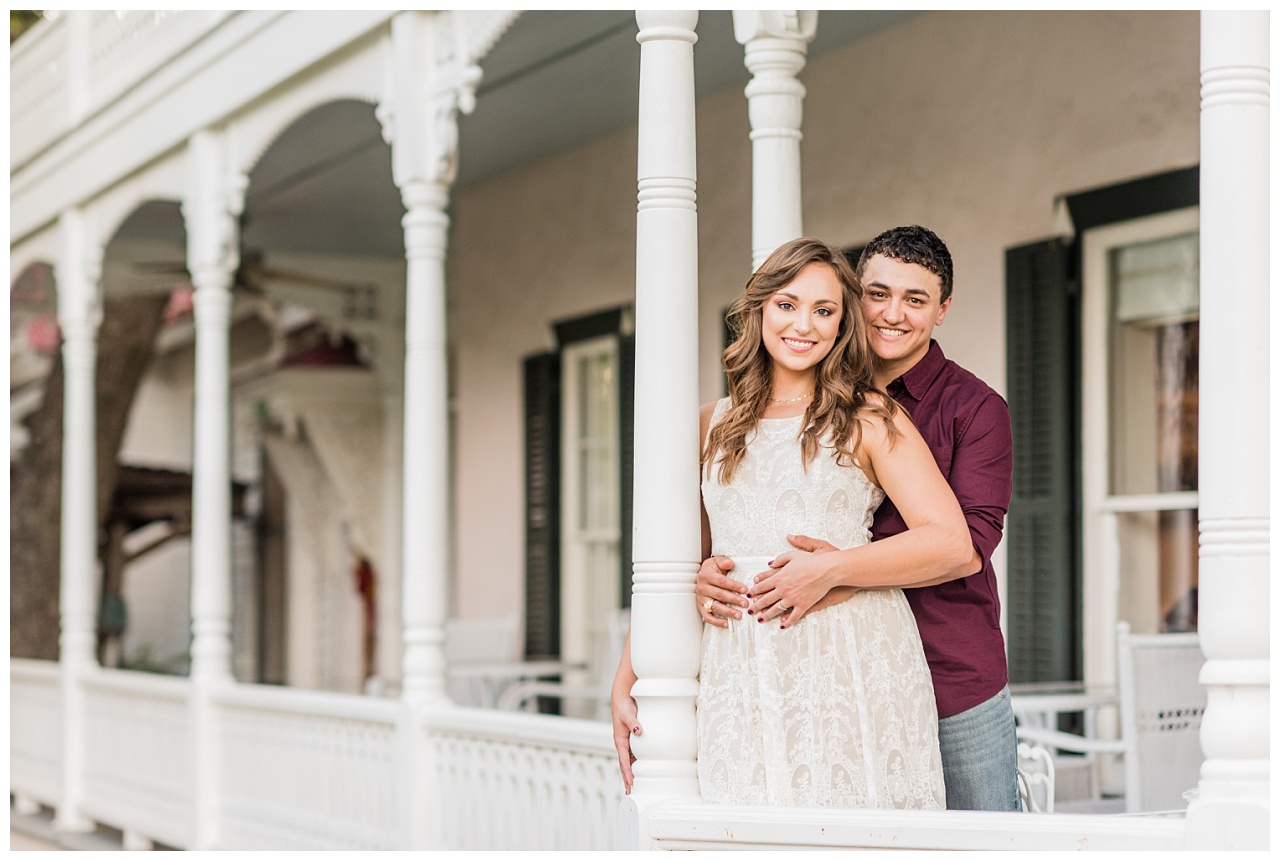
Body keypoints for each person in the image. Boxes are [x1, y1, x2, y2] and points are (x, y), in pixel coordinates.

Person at [611, 237, 974, 808]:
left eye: (824, 310)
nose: (803, 325)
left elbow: (953, 544)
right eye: (786, 304)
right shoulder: (712, 424)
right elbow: (675, 562)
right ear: (758, 310)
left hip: (852, 659)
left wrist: (831, 569)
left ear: (842, 323)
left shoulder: (870, 415)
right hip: (742, 670)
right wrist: (626, 675)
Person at [697, 225, 1019, 811]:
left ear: (941, 310)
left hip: (947, 668)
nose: (893, 314)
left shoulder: (970, 410)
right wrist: (704, 575)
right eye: (878, 294)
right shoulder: (746, 413)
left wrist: (836, 570)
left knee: (975, 839)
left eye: (916, 300)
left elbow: (963, 545)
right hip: (784, 666)